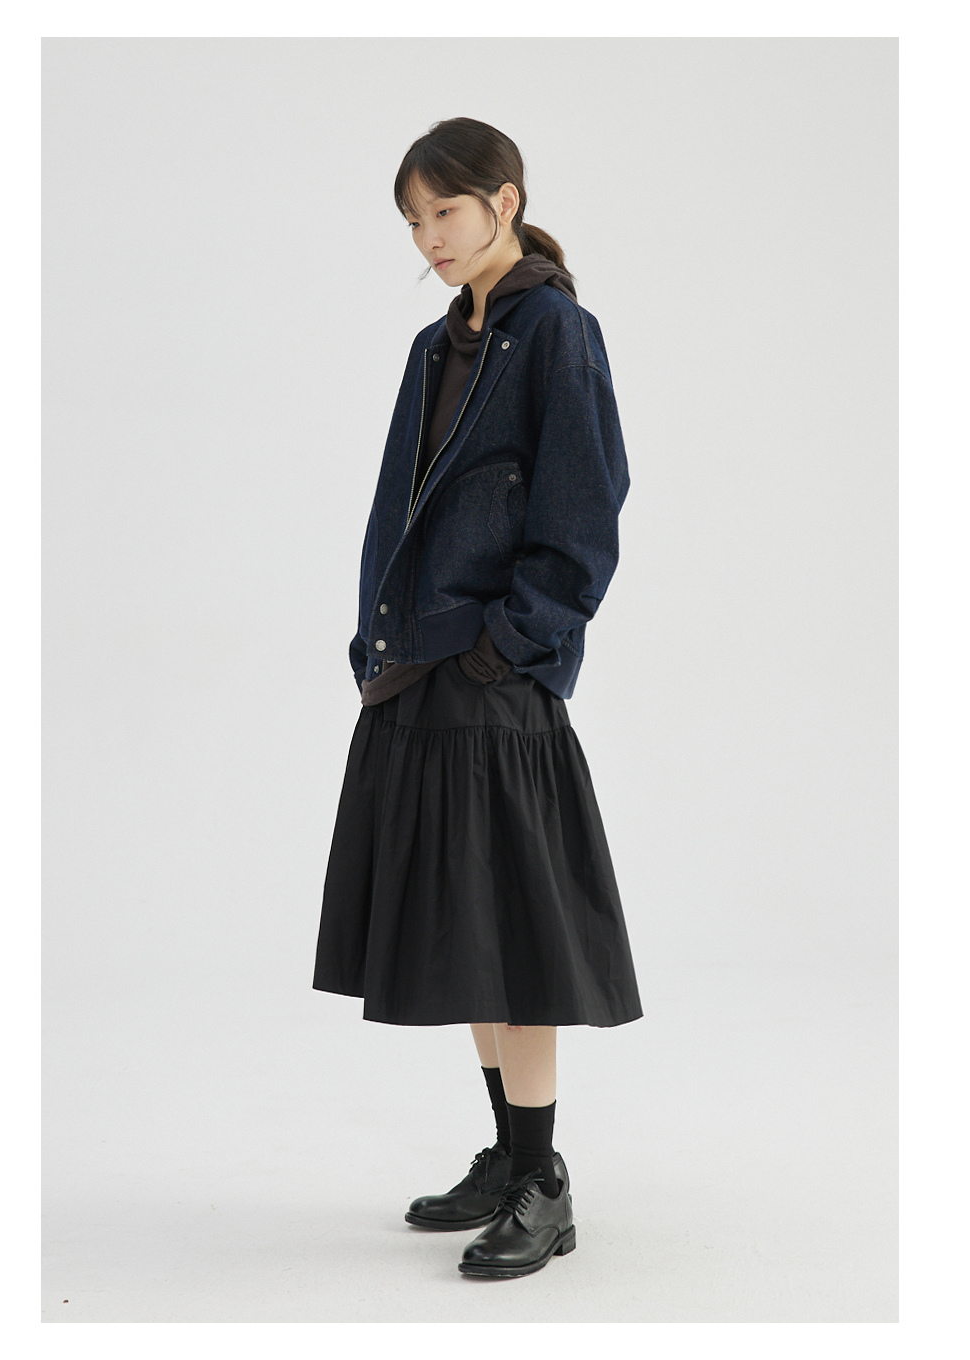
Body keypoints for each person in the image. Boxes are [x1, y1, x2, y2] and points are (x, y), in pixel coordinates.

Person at [312, 116, 643, 1280]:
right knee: (468, 927)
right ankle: (508, 1154)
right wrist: (379, 646)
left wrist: (510, 646)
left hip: (494, 681)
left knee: (515, 933)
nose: (428, 238)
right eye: (412, 221)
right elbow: (398, 505)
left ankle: (544, 1181)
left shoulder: (555, 331)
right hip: (419, 672)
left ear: (504, 199)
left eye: (443, 212)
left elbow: (585, 511)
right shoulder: (435, 343)